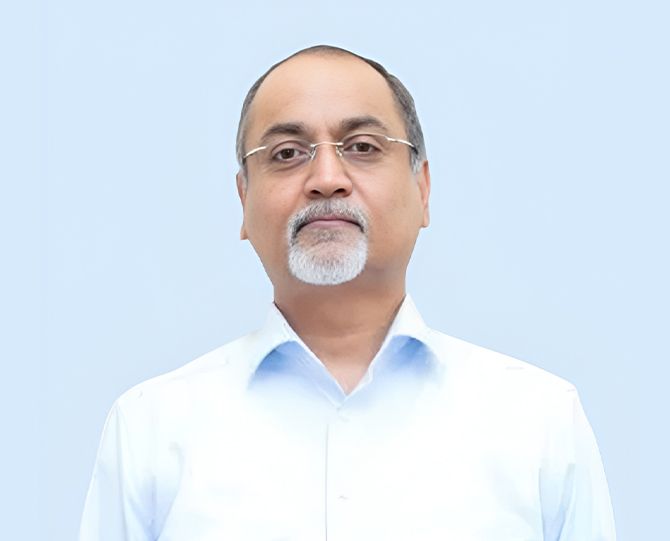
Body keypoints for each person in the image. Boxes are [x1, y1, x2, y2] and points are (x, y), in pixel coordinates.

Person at [79, 45, 616, 541]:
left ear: (423, 189)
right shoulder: (149, 427)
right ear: (243, 200)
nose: (326, 178)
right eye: (287, 153)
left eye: (362, 147)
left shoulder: (540, 420)